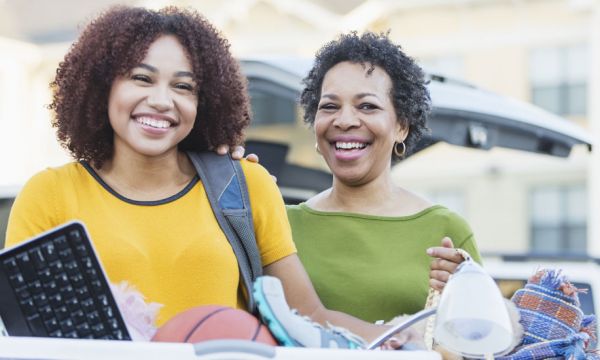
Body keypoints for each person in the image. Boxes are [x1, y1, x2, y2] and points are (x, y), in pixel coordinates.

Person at [4, 6, 419, 347]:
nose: (161, 100)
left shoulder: (244, 185)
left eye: (184, 87)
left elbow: (308, 318)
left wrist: (415, 342)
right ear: (101, 88)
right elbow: (32, 341)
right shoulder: (49, 195)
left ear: (205, 102)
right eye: (141, 78)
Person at [287, 31, 482, 324]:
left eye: (367, 106)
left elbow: (479, 342)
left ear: (401, 126)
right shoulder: (282, 225)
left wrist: (464, 295)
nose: (345, 120)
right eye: (329, 106)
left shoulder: (446, 231)